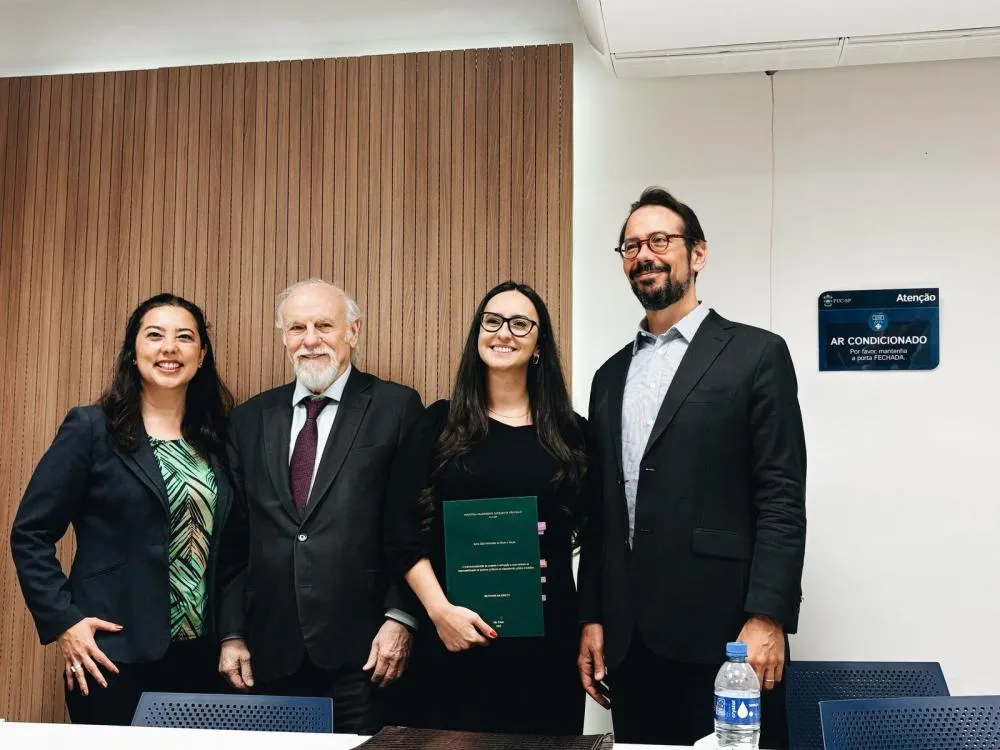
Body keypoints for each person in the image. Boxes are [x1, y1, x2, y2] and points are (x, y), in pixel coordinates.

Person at [577, 187, 807, 747]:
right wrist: (592, 618)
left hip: (728, 640)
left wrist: (768, 615)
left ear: (697, 254)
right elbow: (602, 513)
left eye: (660, 239)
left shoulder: (756, 354)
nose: (643, 254)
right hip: (631, 645)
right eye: (630, 245)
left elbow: (780, 495)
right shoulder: (608, 377)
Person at [10, 293, 236, 725]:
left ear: (202, 355)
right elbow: (30, 534)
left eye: (184, 337)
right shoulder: (92, 429)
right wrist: (65, 622)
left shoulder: (218, 440)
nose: (169, 348)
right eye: (155, 336)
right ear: (133, 352)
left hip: (200, 655)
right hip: (110, 655)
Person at [216, 278, 423, 734]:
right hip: (269, 655)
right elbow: (234, 541)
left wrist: (401, 617)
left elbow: (415, 524)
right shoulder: (249, 420)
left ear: (354, 330)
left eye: (324, 325)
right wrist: (231, 633)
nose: (310, 340)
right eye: (297, 328)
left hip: (366, 655)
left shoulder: (396, 407)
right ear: (284, 338)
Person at [385, 280, 588, 735]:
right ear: (478, 334)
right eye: (492, 321)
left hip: (547, 644)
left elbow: (597, 539)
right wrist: (439, 613)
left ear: (539, 345)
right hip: (452, 637)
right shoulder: (436, 424)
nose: (504, 333)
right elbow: (400, 533)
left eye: (520, 324)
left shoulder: (573, 435)